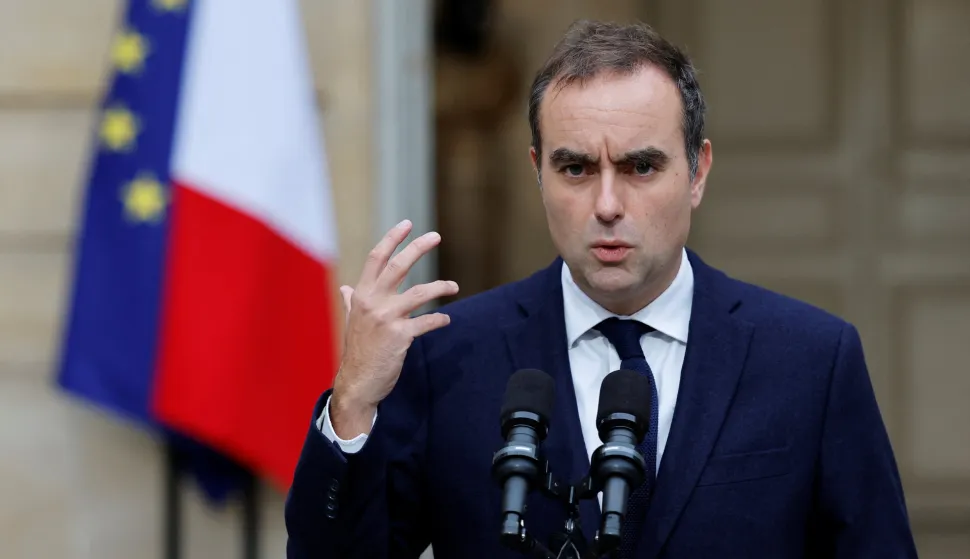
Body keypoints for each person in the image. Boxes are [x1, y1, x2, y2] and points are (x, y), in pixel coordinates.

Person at [284, 19, 918, 558]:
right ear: (537, 171)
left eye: (641, 166)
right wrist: (352, 406)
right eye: (576, 168)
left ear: (697, 172)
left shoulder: (810, 360)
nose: (607, 204)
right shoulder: (448, 358)